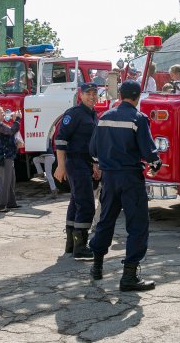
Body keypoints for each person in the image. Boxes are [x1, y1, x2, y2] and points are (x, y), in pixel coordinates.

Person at [88, 80, 162, 292]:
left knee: (106, 220)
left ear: (119, 95)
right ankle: (129, 276)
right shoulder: (138, 119)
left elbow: (93, 150)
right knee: (137, 225)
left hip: (109, 178)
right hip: (130, 178)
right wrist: (155, 164)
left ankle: (97, 267)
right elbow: (148, 150)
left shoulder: (104, 117)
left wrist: (102, 163)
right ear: (138, 97)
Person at [54, 83, 100, 260]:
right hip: (74, 162)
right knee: (86, 204)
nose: (92, 96)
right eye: (88, 93)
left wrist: (95, 164)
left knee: (76, 202)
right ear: (80, 95)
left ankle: (71, 245)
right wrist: (60, 165)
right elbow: (61, 140)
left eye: (94, 93)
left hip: (85, 162)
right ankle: (81, 247)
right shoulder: (74, 114)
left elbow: (91, 144)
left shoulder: (92, 114)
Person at [0, 106, 22, 213]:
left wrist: (15, 143)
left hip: (8, 156)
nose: (4, 113)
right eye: (1, 112)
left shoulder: (0, 124)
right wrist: (17, 119)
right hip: (3, 157)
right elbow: (11, 131)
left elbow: (8, 136)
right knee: (4, 182)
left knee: (10, 180)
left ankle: (10, 203)